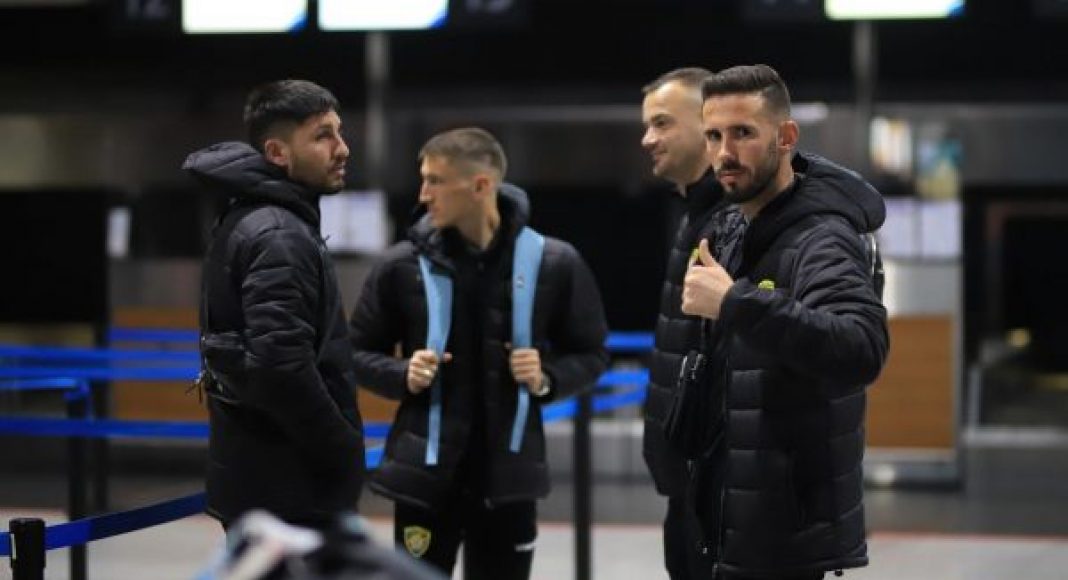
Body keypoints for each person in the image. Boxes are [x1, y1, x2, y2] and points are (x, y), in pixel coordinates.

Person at [348, 127, 608, 579]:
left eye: (435, 181)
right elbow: (354, 353)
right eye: (423, 180)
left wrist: (545, 378)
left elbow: (591, 354)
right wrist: (401, 373)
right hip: (424, 479)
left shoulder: (554, 262)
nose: (423, 194)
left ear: (481, 185)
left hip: (510, 481)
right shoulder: (399, 265)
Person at [681, 64, 889, 579]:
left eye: (743, 133)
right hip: (732, 524)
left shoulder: (823, 237)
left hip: (787, 538)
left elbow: (861, 348)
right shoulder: (734, 226)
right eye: (713, 136)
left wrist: (735, 303)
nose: (724, 153)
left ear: (786, 138)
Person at [185, 79, 365, 531]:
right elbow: (282, 368)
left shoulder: (254, 216)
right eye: (323, 136)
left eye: (339, 132)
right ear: (278, 153)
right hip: (289, 492)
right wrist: (343, 448)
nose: (342, 148)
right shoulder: (280, 234)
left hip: (264, 483)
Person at [640, 66, 746, 580]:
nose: (647, 139)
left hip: (721, 488)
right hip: (687, 484)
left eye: (661, 123)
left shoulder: (736, 218)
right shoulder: (693, 213)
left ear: (708, 128)